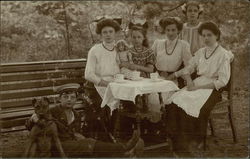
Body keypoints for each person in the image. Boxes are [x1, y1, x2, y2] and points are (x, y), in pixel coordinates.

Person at [165, 21, 234, 157]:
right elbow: (189, 68)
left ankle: (190, 142)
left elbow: (222, 81)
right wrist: (189, 80)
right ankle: (175, 140)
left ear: (217, 36)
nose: (206, 38)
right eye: (203, 36)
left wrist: (198, 87)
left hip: (212, 88)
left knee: (191, 104)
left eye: (209, 35)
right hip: (196, 83)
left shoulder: (223, 54)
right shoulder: (201, 52)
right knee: (174, 101)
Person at [27, 83, 144, 157]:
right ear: (59, 99)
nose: (69, 100)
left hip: (70, 144)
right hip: (56, 147)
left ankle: (125, 153)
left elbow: (74, 132)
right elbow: (30, 124)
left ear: (75, 99)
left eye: (72, 97)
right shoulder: (52, 111)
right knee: (87, 144)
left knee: (89, 142)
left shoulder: (76, 114)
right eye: (65, 97)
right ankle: (125, 148)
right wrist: (33, 119)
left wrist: (79, 136)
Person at [148, 17, 192, 112]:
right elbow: (149, 60)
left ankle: (165, 124)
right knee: (150, 96)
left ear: (178, 31)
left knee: (164, 98)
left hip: (172, 80)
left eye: (173, 30)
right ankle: (152, 125)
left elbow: (190, 66)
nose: (170, 33)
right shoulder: (158, 43)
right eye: (168, 30)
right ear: (164, 30)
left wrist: (175, 75)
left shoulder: (183, 45)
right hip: (157, 78)